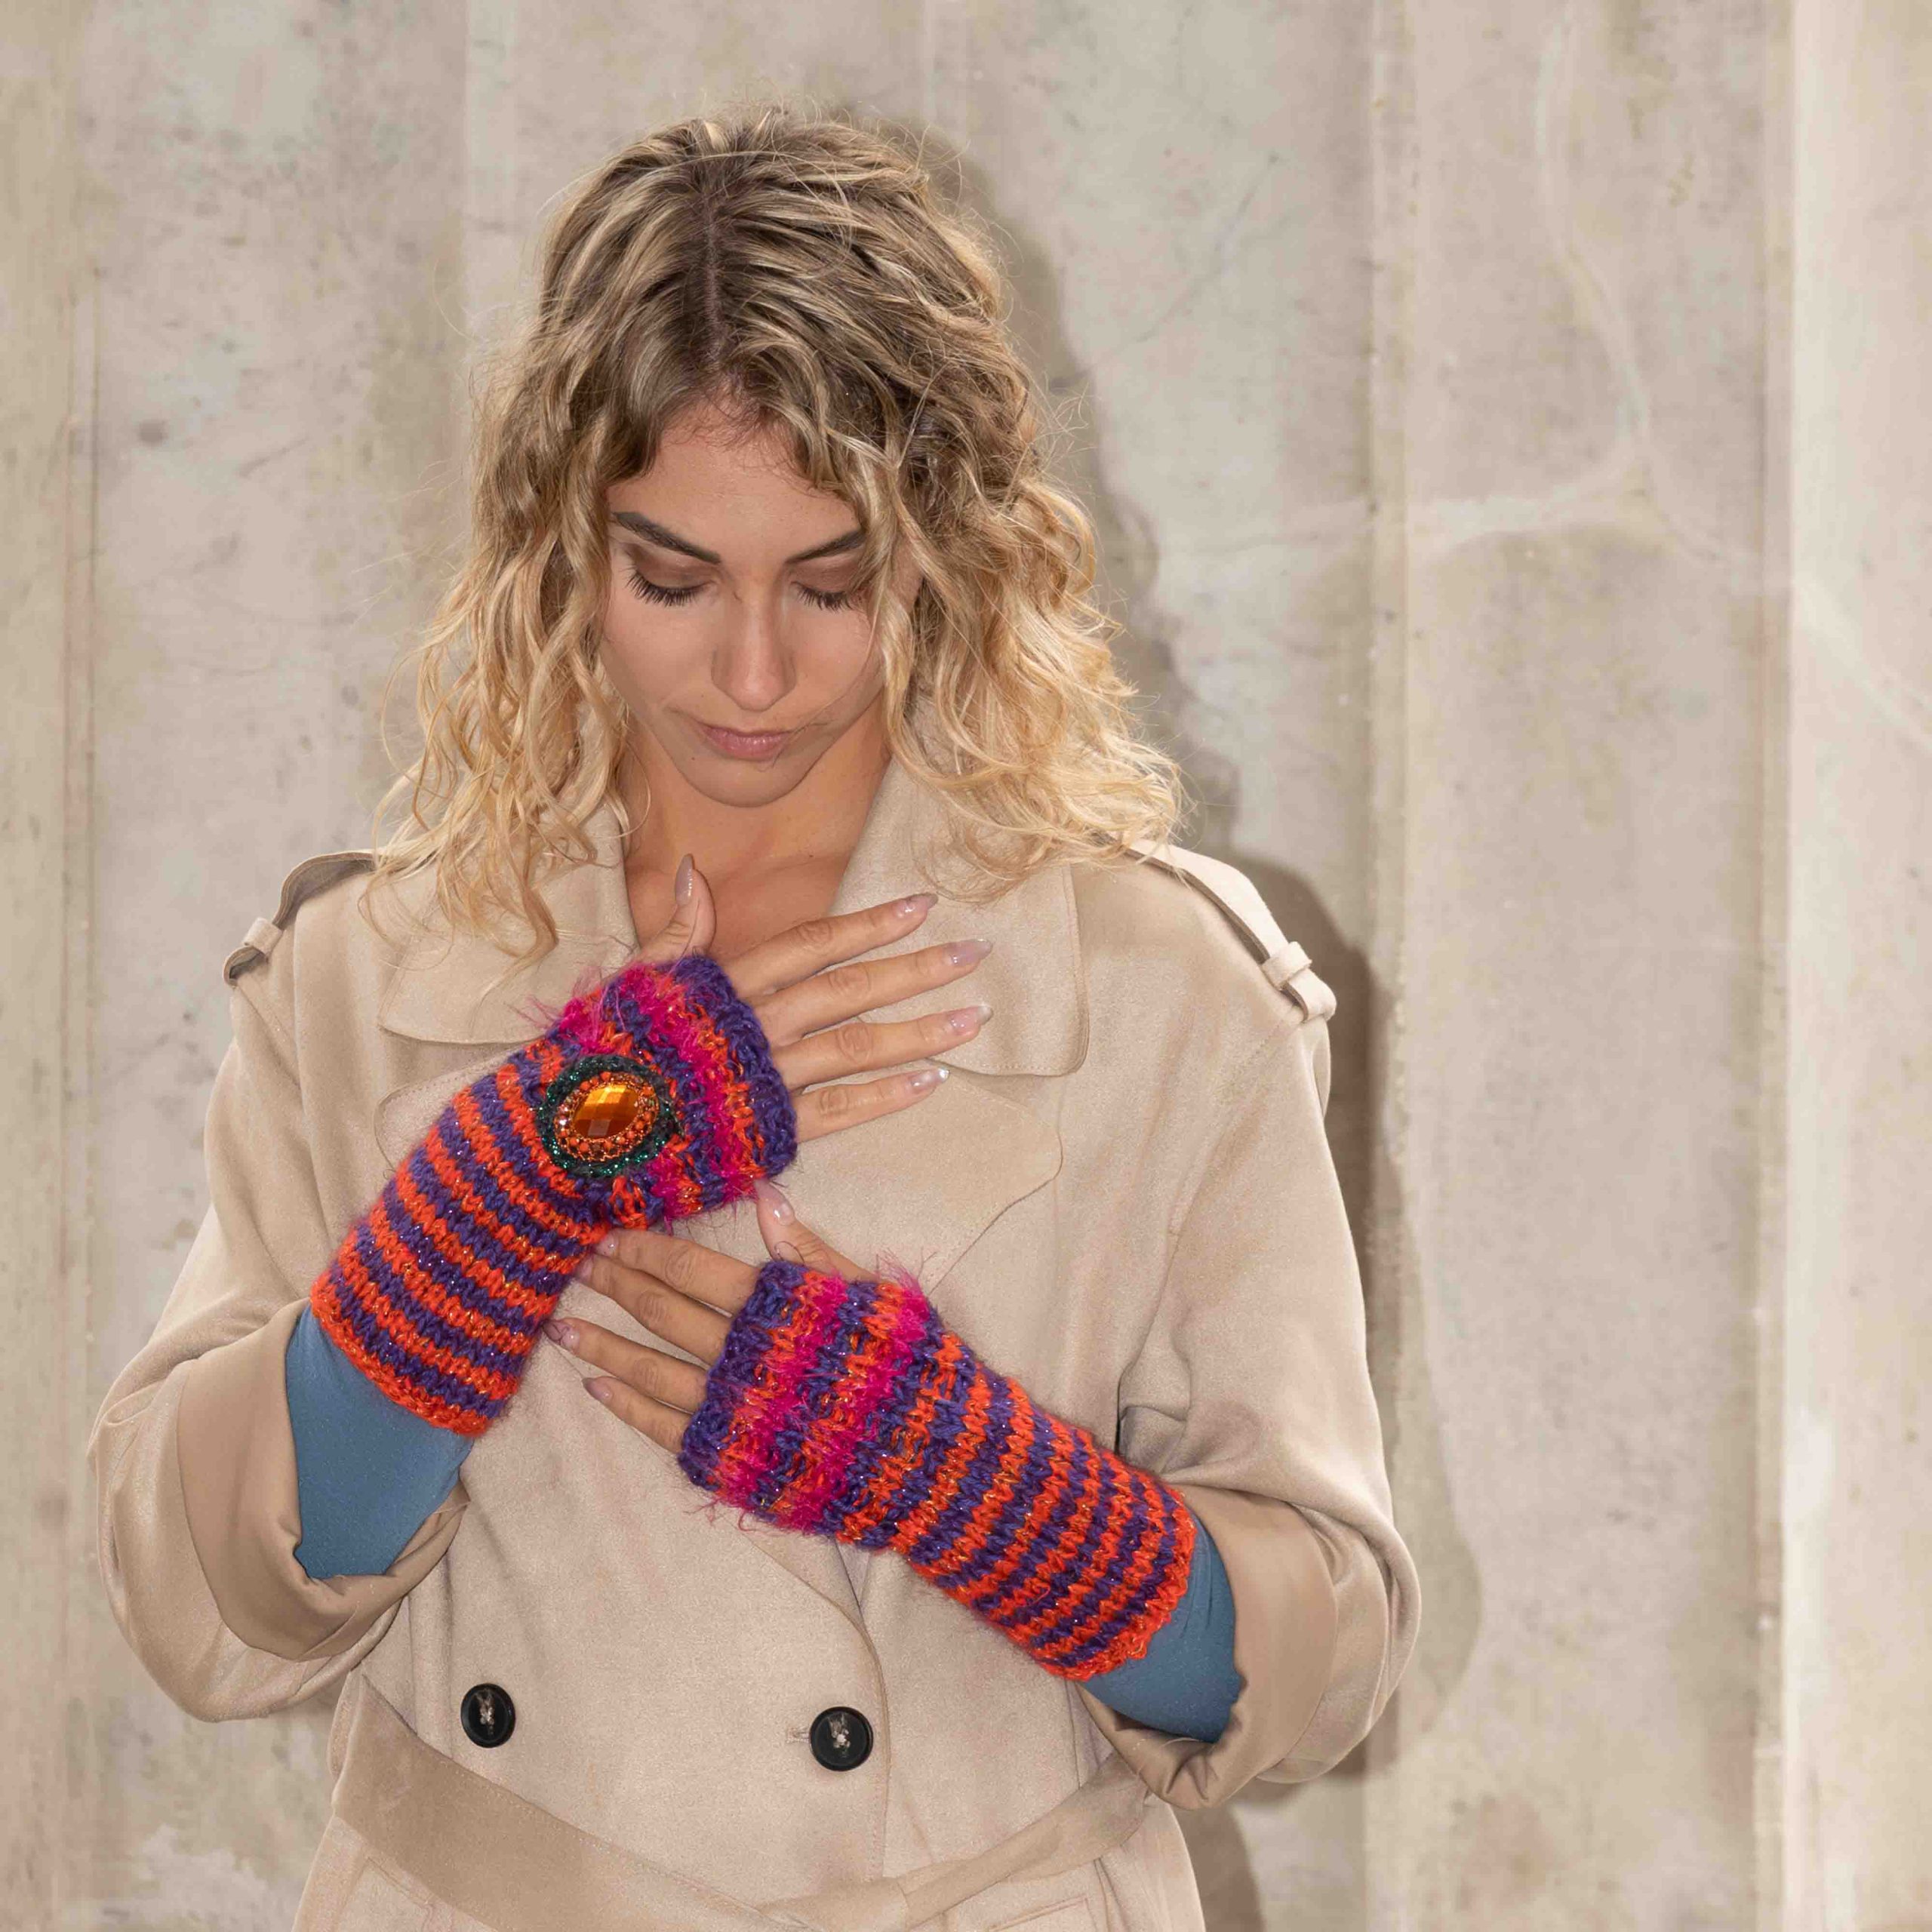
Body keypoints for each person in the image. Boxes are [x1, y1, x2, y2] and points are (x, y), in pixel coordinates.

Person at [88, 103, 1417, 1932]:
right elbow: (198, 1609)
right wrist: (510, 1188)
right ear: (561, 544)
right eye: (671, 576)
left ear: (945, 550)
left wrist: (976, 1489)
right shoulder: (369, 975)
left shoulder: (1158, 986)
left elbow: (1319, 1669)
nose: (753, 671)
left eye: (830, 581)